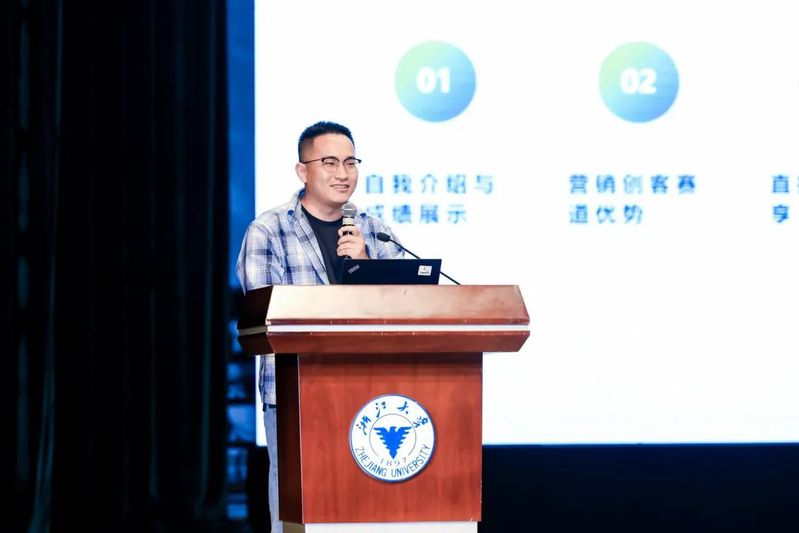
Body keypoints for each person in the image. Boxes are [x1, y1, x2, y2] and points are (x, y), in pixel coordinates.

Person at [235, 121, 403, 532]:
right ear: (302, 171)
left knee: (360, 509)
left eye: (350, 162)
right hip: (297, 393)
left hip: (370, 393)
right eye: (329, 162)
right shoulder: (268, 231)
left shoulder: (375, 231)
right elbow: (266, 314)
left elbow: (405, 305)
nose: (343, 173)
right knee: (299, 508)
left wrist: (365, 265)